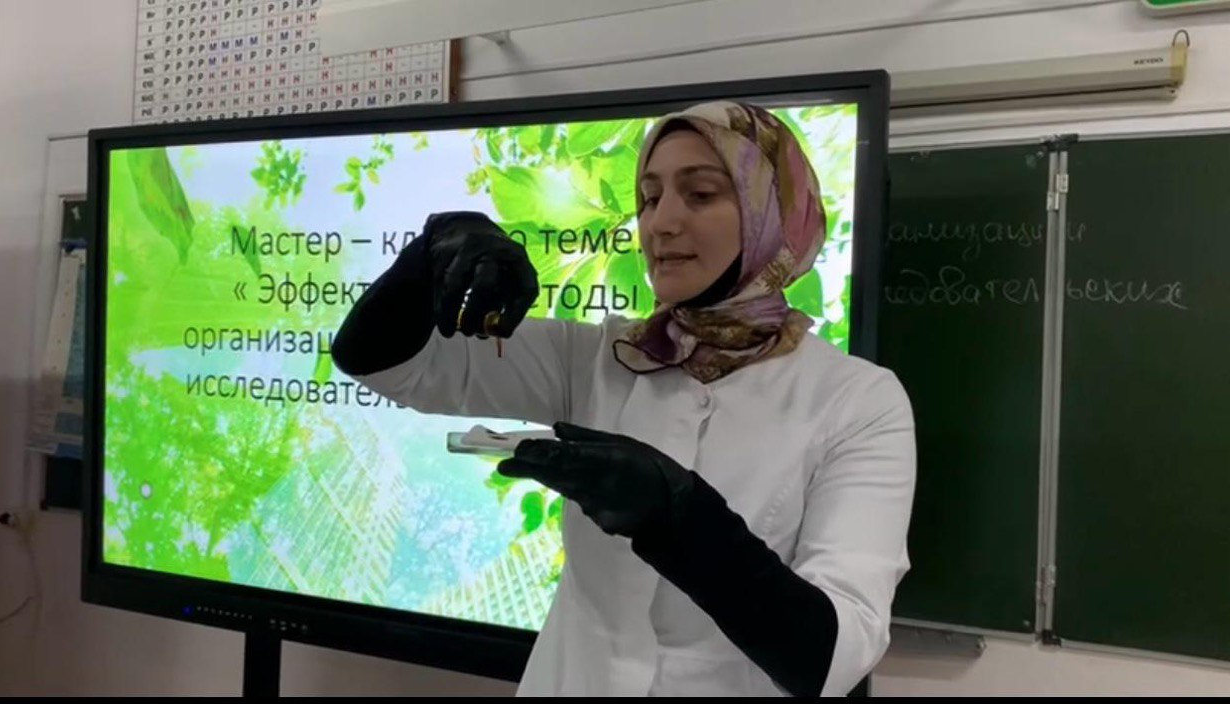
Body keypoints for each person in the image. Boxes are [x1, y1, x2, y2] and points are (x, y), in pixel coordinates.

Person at [331, 101, 916, 697]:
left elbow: (835, 657)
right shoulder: (597, 357)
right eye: (649, 197)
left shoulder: (858, 402)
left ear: (773, 211)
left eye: (701, 194)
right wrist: (430, 252)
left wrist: (680, 520)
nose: (661, 222)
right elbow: (386, 364)